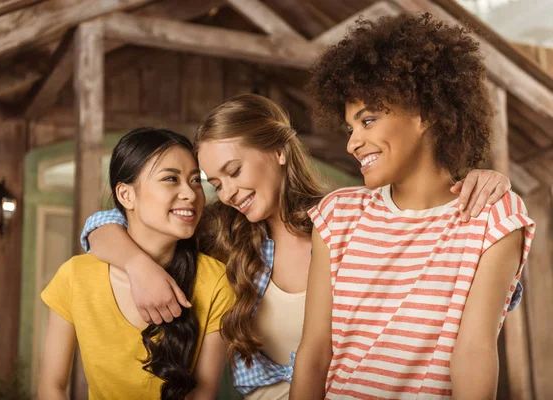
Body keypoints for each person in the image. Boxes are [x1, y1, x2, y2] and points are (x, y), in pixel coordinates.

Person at [78, 94, 513, 398]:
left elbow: (463, 291)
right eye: (215, 183)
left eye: (234, 170)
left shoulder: (348, 222)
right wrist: (137, 264)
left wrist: (485, 183)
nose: (227, 192)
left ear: (280, 151)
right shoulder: (219, 236)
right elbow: (102, 224)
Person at [290, 14, 535, 399]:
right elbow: (314, 353)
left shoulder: (493, 218)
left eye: (368, 120)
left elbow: (473, 352)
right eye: (350, 128)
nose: (353, 143)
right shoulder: (337, 216)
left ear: (426, 114)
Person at [38, 128, 234, 400]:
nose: (190, 194)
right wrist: (138, 266)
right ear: (126, 195)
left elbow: (203, 393)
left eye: (195, 180)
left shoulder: (216, 281)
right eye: (170, 179)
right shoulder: (75, 276)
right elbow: (51, 387)